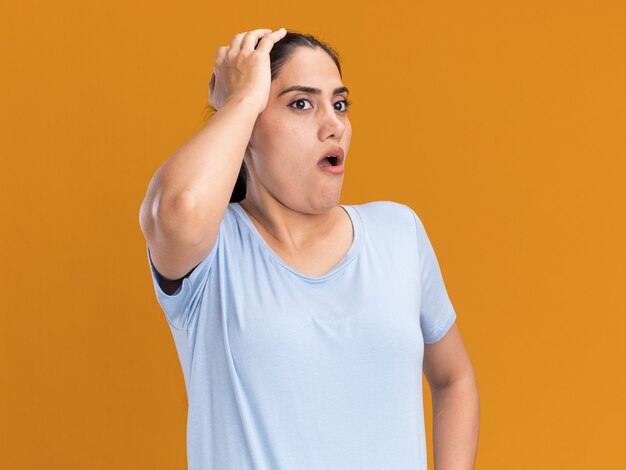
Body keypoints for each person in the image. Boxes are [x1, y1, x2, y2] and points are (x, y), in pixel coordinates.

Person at [139, 28, 480, 470]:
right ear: (246, 128)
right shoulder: (211, 254)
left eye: (339, 104)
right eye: (301, 103)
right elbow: (180, 207)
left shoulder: (398, 233)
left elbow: (454, 379)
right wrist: (240, 101)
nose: (333, 123)